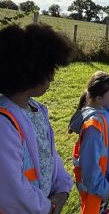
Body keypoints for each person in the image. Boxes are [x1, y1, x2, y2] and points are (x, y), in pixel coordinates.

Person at [0, 24, 74, 214]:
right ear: (30, 71)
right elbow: (10, 186)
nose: (52, 79)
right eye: (49, 71)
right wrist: (47, 207)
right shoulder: (4, 123)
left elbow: (48, 153)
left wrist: (63, 186)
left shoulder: (37, 109)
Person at [69, 71, 109, 213]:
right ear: (99, 98)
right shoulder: (93, 127)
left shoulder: (105, 109)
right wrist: (103, 189)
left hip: (103, 182)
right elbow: (89, 165)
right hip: (97, 187)